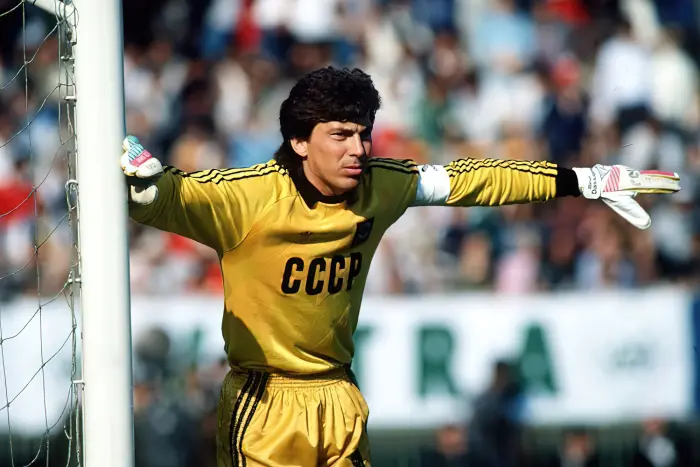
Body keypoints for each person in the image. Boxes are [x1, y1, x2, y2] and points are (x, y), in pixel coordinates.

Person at [122, 67, 680, 467]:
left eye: (363, 133)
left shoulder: (381, 186)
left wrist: (586, 180)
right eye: (340, 135)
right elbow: (168, 197)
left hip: (339, 395)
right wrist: (142, 186)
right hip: (264, 405)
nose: (358, 149)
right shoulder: (246, 198)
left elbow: (473, 181)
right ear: (298, 141)